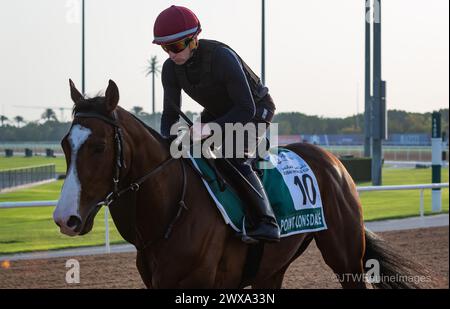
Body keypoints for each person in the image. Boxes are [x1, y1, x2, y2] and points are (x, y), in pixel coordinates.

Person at [152, 5, 280, 243]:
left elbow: (246, 108)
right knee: (187, 153)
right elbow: (169, 114)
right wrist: (165, 145)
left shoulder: (222, 57)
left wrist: (209, 128)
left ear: (194, 39)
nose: (171, 54)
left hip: (255, 109)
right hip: (218, 112)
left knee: (232, 156)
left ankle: (266, 221)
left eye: (176, 46)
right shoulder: (170, 69)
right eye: (165, 48)